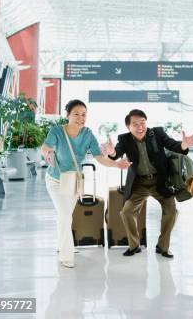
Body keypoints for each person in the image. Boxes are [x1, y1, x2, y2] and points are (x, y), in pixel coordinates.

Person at [41, 99, 131, 269]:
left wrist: (116, 163)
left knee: (65, 215)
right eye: (76, 114)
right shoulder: (57, 131)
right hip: (55, 181)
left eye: (83, 114)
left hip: (74, 181)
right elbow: (46, 146)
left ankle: (62, 245)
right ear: (67, 115)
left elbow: (100, 157)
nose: (80, 118)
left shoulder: (88, 134)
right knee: (65, 215)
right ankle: (66, 255)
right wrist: (47, 153)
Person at [103, 109, 193, 258]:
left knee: (171, 212)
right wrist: (112, 152)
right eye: (135, 124)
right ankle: (134, 245)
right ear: (129, 127)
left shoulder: (157, 134)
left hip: (160, 181)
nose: (140, 127)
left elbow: (173, 145)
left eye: (143, 123)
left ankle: (163, 247)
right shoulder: (125, 139)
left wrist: (184, 145)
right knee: (126, 212)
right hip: (139, 183)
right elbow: (117, 153)